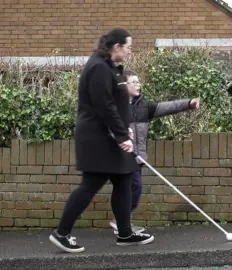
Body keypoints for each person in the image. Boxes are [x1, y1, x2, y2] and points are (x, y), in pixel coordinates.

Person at [49, 27, 154, 253]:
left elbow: (116, 104)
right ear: (116, 46)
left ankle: (125, 233)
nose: (128, 52)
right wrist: (122, 135)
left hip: (110, 137)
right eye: (127, 47)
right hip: (98, 139)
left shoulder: (109, 68)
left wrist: (124, 128)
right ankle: (62, 233)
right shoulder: (98, 68)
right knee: (90, 185)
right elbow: (104, 105)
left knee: (124, 180)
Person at [108, 69, 200, 235]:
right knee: (127, 188)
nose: (138, 85)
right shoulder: (114, 106)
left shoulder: (144, 106)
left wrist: (188, 103)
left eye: (138, 81)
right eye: (134, 82)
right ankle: (122, 225)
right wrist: (120, 135)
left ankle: (121, 223)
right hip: (118, 157)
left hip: (137, 158)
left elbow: (167, 107)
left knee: (134, 190)